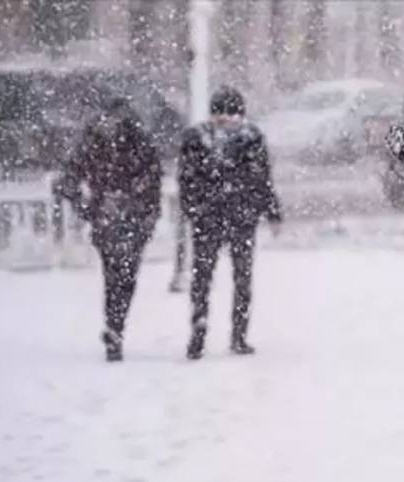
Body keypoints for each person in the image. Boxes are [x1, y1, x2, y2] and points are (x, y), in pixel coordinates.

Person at [53, 97, 162, 362]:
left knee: (116, 276)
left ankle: (115, 326)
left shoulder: (99, 142)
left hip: (114, 215)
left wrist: (87, 206)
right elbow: (153, 182)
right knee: (122, 277)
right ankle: (116, 326)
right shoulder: (129, 143)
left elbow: (68, 180)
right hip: (119, 216)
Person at [178, 85, 281, 360]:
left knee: (205, 277)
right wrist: (271, 210)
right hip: (238, 217)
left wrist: (193, 208)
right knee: (239, 278)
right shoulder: (250, 136)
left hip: (212, 217)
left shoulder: (197, 137)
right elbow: (262, 179)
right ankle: (234, 334)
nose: (227, 120)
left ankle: (204, 329)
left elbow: (187, 179)